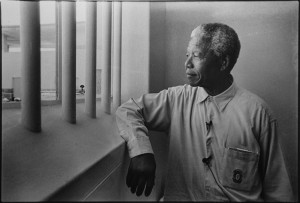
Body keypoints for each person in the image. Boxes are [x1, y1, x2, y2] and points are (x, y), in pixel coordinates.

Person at [115, 23, 294, 201]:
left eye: (196, 55)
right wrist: (141, 151)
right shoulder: (177, 99)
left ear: (223, 62)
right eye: (187, 55)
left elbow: (278, 191)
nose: (187, 63)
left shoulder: (259, 113)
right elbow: (128, 110)